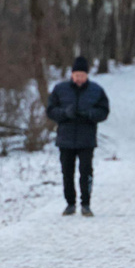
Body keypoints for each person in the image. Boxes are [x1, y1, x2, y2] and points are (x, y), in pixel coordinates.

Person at [46, 55, 110, 217]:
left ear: (87, 75)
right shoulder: (60, 89)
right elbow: (50, 110)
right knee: (67, 173)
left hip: (86, 139)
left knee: (86, 172)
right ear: (72, 75)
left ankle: (86, 204)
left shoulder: (96, 90)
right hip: (65, 139)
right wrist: (65, 113)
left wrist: (89, 114)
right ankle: (70, 203)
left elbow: (104, 111)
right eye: (76, 75)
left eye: (82, 75)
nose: (79, 78)